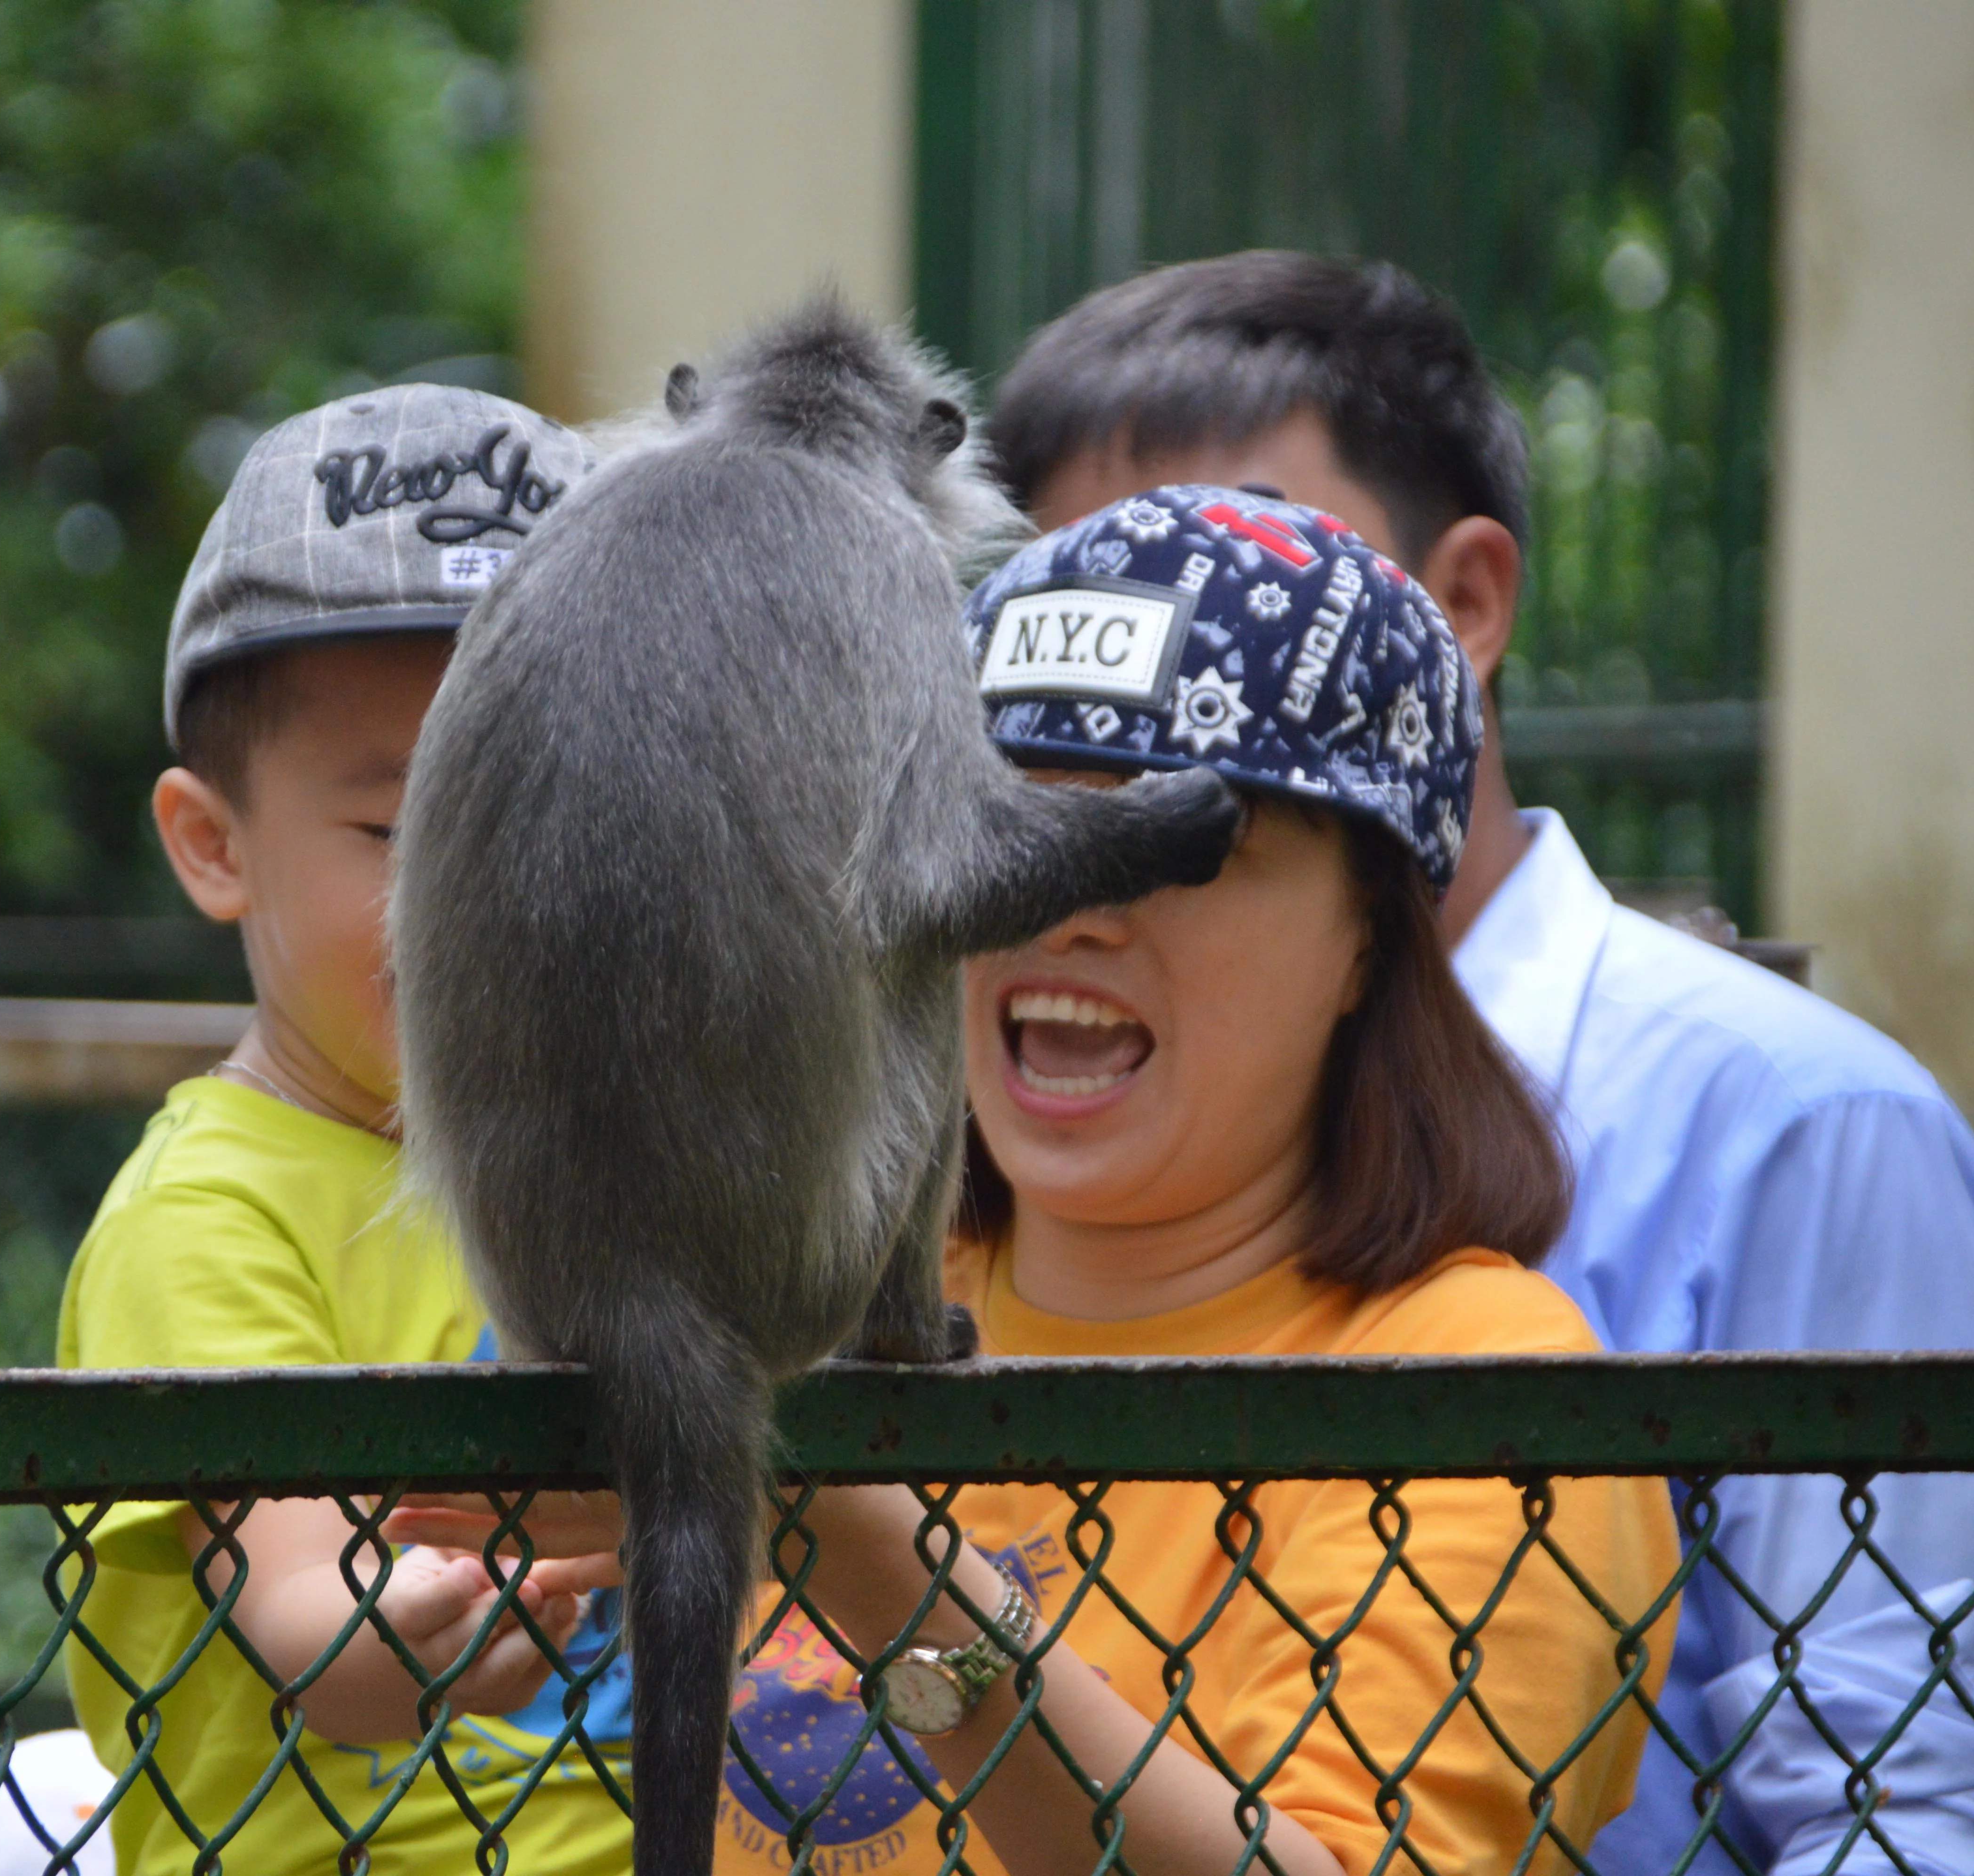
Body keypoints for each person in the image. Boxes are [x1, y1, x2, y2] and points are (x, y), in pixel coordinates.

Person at [394, 488, 1683, 1874]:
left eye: (1185, 845)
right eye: (1000, 823)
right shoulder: (796, 1304)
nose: (1065, 907)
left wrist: (854, 1540)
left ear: (1372, 939)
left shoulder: (1488, 1388)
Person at [981, 250, 1974, 1875]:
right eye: (1026, 817)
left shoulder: (1796, 1126)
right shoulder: (865, 1284)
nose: (1168, 597)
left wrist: (891, 1576)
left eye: (1257, 547)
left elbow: (1897, 1807)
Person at [53, 386, 632, 1876]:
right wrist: (413, 1630)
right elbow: (307, 1616)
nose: (489, 899)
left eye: (561, 818)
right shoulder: (211, 1215)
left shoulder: (642, 1166)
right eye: (403, 834)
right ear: (214, 845)